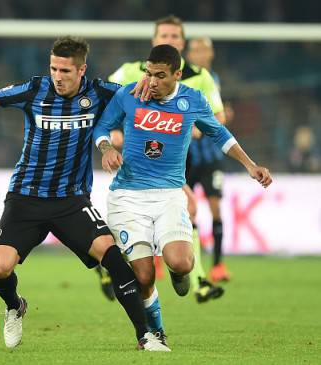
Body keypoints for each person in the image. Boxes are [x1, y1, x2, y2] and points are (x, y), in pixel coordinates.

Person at [0, 36, 169, 352]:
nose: (57, 76)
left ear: (82, 70)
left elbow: (138, 94)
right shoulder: (34, 90)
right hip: (25, 197)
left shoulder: (101, 93)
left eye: (65, 70)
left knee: (115, 260)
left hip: (71, 201)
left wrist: (153, 82)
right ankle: (15, 305)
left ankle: (145, 336)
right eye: (53, 68)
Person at [94, 44, 272, 344]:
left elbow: (219, 133)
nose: (152, 82)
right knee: (145, 275)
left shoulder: (192, 100)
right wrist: (107, 148)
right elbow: (101, 126)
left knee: (181, 262)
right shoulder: (128, 95)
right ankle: (156, 333)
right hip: (128, 195)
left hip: (170, 194)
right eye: (149, 74)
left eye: (160, 76)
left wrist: (250, 165)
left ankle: (180, 273)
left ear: (177, 74)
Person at [98, 15, 226, 308]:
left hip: (186, 158)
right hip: (137, 162)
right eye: (164, 36)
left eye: (175, 37)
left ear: (183, 44)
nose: (170, 41)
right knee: (159, 214)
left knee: (187, 213)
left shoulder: (201, 77)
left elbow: (219, 117)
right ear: (154, 41)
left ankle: (191, 276)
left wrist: (195, 127)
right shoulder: (131, 71)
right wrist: (113, 137)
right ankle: (192, 279)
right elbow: (105, 103)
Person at [186, 37, 233, 282]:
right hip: (187, 158)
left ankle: (217, 265)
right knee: (185, 210)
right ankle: (186, 264)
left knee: (215, 208)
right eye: (196, 50)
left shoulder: (213, 79)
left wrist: (215, 121)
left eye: (205, 49)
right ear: (189, 54)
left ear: (211, 54)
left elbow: (220, 116)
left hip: (212, 156)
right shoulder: (183, 77)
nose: (201, 54)